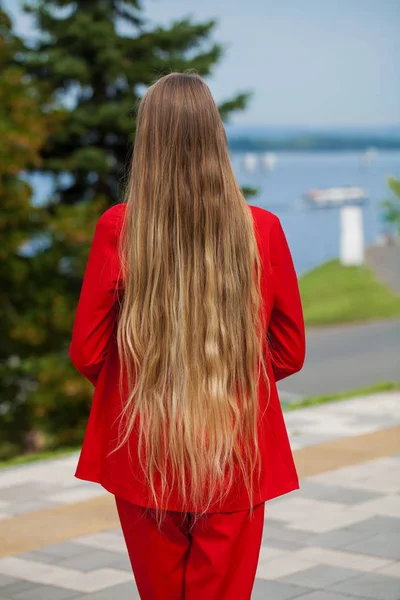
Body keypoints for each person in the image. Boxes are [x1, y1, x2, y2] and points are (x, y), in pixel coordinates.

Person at [69, 72, 305, 600]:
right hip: (233, 449)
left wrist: (144, 379)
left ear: (147, 140)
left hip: (144, 449)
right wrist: (226, 375)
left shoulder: (119, 227)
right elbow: (289, 351)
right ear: (216, 136)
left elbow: (86, 350)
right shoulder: (260, 229)